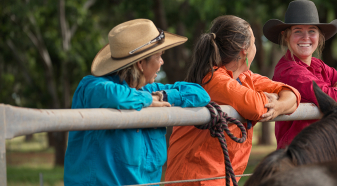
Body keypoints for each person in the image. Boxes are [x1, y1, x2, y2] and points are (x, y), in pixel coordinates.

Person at [64, 19, 211, 186]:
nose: (162, 62)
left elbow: (200, 94)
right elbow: (113, 95)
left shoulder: (151, 89)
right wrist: (149, 100)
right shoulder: (91, 87)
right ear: (141, 64)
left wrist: (162, 96)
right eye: (159, 56)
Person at [165, 15, 301, 185]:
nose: (256, 48)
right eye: (254, 42)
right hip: (194, 180)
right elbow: (256, 107)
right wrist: (270, 98)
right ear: (245, 49)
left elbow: (291, 93)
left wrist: (279, 105)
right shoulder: (214, 79)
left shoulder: (246, 77)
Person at [263, 0, 337, 149]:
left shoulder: (319, 65)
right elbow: (333, 100)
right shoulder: (288, 71)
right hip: (299, 155)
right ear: (286, 36)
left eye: (312, 31)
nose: (305, 37)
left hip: (325, 149)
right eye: (297, 31)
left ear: (319, 36)